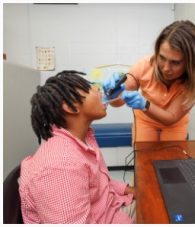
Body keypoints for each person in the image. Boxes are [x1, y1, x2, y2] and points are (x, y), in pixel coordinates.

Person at [19, 71, 135, 224]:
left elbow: (99, 184)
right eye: (90, 87)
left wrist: (131, 190)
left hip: (114, 208)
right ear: (71, 107)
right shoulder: (60, 167)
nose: (98, 90)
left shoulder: (84, 137)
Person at [102, 20, 195, 142]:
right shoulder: (144, 66)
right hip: (145, 122)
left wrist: (144, 104)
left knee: (173, 159)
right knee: (144, 158)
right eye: (162, 57)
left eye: (175, 62)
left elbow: (171, 117)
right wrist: (114, 93)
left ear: (190, 62)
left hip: (174, 125)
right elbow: (118, 102)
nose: (166, 68)